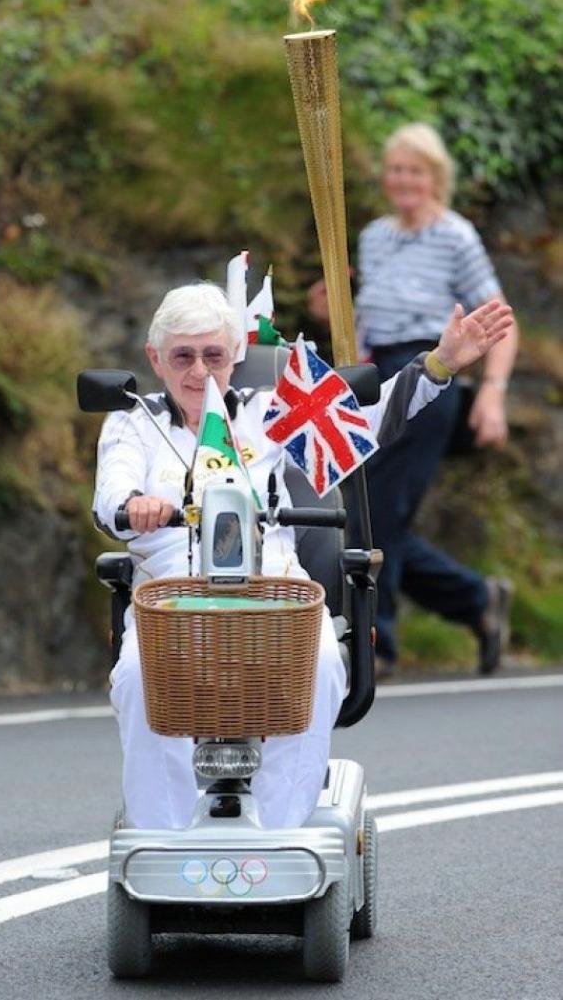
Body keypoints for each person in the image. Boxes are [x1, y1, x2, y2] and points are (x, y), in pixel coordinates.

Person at [93, 282, 513, 830]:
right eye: (182, 357)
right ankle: (160, 834)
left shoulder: (269, 410)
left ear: (235, 354)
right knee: (134, 678)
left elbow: (367, 423)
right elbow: (111, 495)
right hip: (172, 601)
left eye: (213, 355)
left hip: (275, 595)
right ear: (156, 359)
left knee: (321, 664)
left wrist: (440, 363)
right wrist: (135, 505)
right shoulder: (135, 421)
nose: (199, 372)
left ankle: (281, 830)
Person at [309, 123, 518, 677]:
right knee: (367, 512)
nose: (404, 180)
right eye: (396, 169)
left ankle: (376, 644)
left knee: (375, 511)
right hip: (374, 374)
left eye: (415, 171)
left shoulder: (456, 236)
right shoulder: (375, 236)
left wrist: (492, 393)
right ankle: (476, 599)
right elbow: (368, 323)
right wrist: (331, 313)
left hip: (433, 369)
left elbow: (501, 320)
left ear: (436, 177)